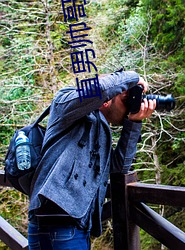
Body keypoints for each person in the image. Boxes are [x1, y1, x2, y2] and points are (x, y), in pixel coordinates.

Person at [28, 70, 156, 250]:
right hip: (58, 223)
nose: (128, 106)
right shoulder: (66, 101)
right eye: (125, 99)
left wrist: (134, 123)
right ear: (108, 98)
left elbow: (118, 167)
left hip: (73, 226)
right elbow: (100, 89)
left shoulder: (101, 130)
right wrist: (133, 78)